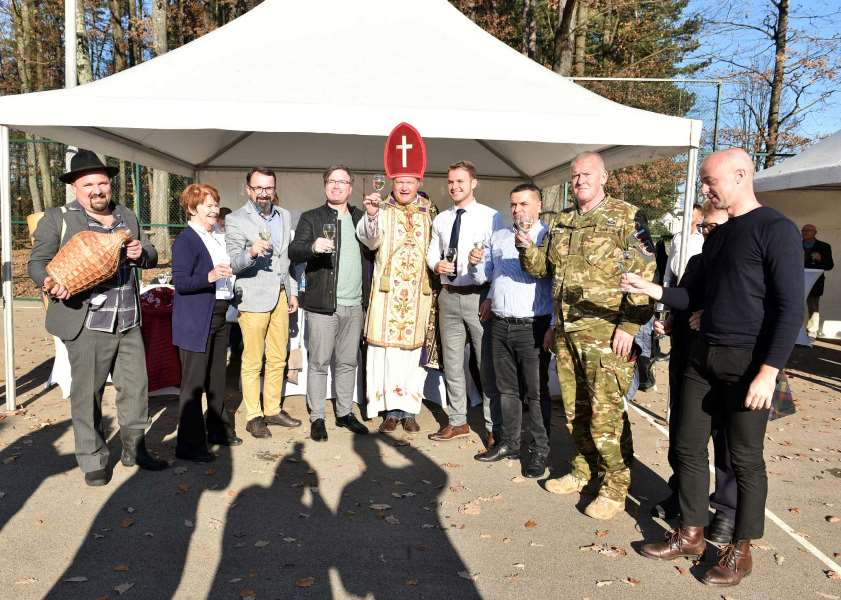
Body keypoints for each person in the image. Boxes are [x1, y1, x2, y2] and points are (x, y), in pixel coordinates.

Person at [624, 148, 803, 587]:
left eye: (710, 180)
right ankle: (690, 533)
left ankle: (740, 549)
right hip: (701, 358)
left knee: (744, 459)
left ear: (740, 176)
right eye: (703, 181)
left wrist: (768, 371)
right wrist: (652, 288)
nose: (704, 189)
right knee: (686, 446)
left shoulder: (775, 229)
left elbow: (789, 308)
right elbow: (697, 296)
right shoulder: (719, 236)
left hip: (746, 363)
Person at [519, 151, 656, 520]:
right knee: (575, 411)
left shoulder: (626, 217)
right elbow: (544, 270)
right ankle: (584, 470)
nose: (579, 181)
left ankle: (615, 486)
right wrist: (526, 246)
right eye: (575, 175)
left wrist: (630, 326)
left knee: (604, 415)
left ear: (604, 177)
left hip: (607, 334)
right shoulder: (562, 221)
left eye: (587, 174)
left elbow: (644, 275)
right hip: (567, 333)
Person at [28, 149, 168, 486]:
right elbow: (37, 262)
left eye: (102, 183)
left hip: (129, 320)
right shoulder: (58, 218)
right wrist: (49, 282)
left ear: (109, 184)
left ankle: (135, 449)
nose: (97, 190)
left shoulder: (126, 215)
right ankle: (93, 458)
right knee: (87, 394)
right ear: (75, 187)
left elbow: (150, 253)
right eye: (88, 184)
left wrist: (142, 253)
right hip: (88, 322)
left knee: (136, 390)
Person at [646, 201, 737, 545]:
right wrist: (670, 321)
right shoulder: (698, 260)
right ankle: (683, 495)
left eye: (714, 226)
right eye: (704, 227)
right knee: (684, 437)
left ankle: (727, 511)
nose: (707, 232)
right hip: (687, 358)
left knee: (726, 441)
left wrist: (710, 316)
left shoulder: (742, 265)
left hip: (724, 363)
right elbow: (684, 298)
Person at [357, 122, 437, 433]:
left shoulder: (430, 211)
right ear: (392, 181)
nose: (404, 187)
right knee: (388, 353)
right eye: (400, 181)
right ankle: (390, 410)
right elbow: (369, 240)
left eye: (410, 182)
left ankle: (409, 410)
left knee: (412, 354)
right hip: (388, 294)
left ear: (419, 182)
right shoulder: (381, 208)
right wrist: (371, 215)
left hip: (418, 295)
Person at [469, 183, 552, 478]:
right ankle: (510, 443)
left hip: (532, 325)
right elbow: (490, 277)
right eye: (514, 204)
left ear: (539, 205)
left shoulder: (548, 237)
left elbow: (556, 284)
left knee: (536, 394)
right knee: (507, 390)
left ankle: (540, 451)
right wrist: (476, 265)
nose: (517, 210)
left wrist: (553, 325)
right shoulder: (501, 236)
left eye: (524, 204)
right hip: (501, 323)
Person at [289, 165, 373, 441]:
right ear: (325, 185)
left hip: (355, 304)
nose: (337, 186)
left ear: (351, 187)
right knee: (319, 362)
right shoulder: (311, 217)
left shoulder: (361, 217)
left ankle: (345, 412)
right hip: (322, 305)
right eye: (332, 181)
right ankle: (317, 417)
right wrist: (313, 247)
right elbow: (294, 251)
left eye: (342, 182)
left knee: (348, 362)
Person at [426, 160, 504, 445]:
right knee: (453, 364)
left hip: (478, 297)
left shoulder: (492, 217)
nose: (454, 186)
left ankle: (493, 427)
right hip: (449, 296)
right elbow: (432, 252)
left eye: (460, 181)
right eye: (451, 182)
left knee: (486, 366)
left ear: (474, 183)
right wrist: (436, 265)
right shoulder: (441, 219)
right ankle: (458, 421)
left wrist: (491, 296)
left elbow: (499, 261)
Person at [226, 168, 301, 439]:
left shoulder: (284, 215)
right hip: (253, 297)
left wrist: (291, 291)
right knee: (252, 360)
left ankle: (272, 409)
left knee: (279, 357)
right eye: (258, 188)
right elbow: (233, 263)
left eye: (268, 188)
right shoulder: (235, 219)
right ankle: (254, 416)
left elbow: (285, 260)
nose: (264, 193)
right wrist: (251, 252)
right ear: (248, 189)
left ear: (274, 188)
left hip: (280, 295)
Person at [171, 184, 241, 463]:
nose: (214, 210)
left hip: (220, 314)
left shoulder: (216, 237)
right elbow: (181, 282)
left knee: (216, 378)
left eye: (216, 204)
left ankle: (217, 429)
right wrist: (209, 277)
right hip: (197, 319)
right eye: (208, 205)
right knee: (193, 384)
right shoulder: (186, 240)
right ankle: (188, 445)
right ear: (192, 208)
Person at [802, 223, 834, 338]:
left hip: (814, 282)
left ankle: (811, 333)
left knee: (813, 307)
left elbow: (829, 266)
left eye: (809, 230)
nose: (805, 232)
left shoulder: (824, 246)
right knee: (793, 307)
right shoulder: (795, 245)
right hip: (796, 281)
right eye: (803, 230)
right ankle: (794, 332)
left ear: (815, 233)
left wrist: (820, 259)